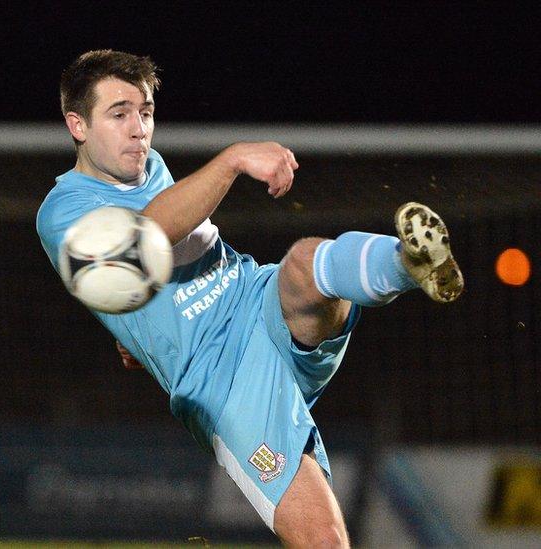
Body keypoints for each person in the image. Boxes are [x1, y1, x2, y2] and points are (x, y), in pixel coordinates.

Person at [36, 50, 463, 548]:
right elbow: (141, 236)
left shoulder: (150, 166)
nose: (139, 129)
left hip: (253, 299)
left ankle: (408, 264)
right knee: (324, 542)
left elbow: (143, 271)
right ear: (77, 125)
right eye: (119, 114)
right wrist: (234, 158)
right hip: (222, 379)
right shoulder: (61, 210)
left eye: (145, 112)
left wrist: (140, 328)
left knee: (305, 263)